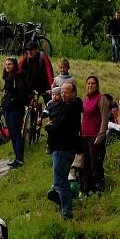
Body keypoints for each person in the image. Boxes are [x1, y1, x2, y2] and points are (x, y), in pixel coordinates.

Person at [45, 82, 83, 219]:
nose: (63, 94)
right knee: (60, 179)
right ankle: (61, 200)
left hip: (63, 147)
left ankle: (66, 210)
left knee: (60, 181)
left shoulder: (71, 109)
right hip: (62, 147)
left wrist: (48, 127)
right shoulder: (66, 106)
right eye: (62, 92)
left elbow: (58, 127)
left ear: (74, 93)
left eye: (66, 92)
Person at [80, 75, 109, 194]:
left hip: (95, 136)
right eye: (88, 83)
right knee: (85, 164)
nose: (90, 85)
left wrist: (101, 135)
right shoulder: (85, 100)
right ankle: (88, 187)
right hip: (84, 136)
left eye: (93, 83)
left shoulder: (102, 99)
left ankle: (98, 187)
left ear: (97, 86)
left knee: (95, 163)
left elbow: (104, 119)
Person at [2, 57, 29, 168]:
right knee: (12, 134)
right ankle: (16, 157)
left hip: (16, 108)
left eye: (10, 64)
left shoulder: (18, 77)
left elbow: (22, 93)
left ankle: (20, 158)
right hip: (8, 108)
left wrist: (13, 101)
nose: (7, 66)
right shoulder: (8, 77)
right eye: (6, 64)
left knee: (16, 133)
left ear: (14, 65)